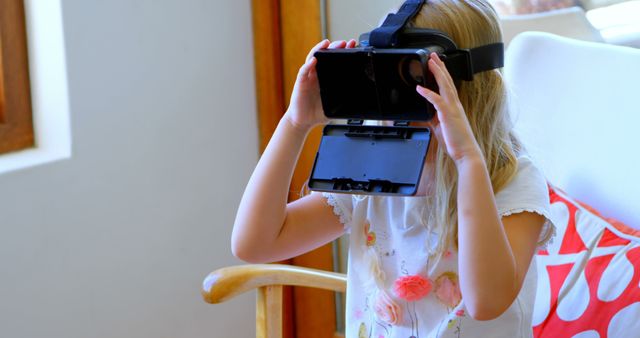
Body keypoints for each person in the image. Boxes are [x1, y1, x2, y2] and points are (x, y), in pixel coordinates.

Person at [231, 0, 555, 337]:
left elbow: (486, 302)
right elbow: (255, 244)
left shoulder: (512, 179)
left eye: (413, 78)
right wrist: (295, 124)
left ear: (468, 89)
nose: (392, 100)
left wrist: (467, 161)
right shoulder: (375, 165)